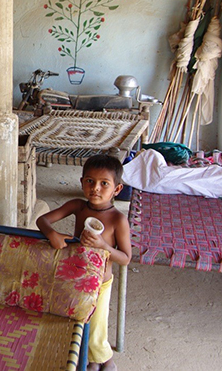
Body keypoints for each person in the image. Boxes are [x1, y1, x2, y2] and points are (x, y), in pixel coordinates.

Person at [36, 154, 131, 371]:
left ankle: (106, 361)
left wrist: (103, 247)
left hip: (100, 283)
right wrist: (52, 233)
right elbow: (43, 220)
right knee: (78, 321)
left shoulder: (118, 219)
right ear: (81, 182)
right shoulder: (78, 206)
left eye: (104, 183)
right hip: (75, 274)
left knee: (96, 327)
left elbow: (125, 258)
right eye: (90, 181)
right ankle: (92, 361)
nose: (95, 188)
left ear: (117, 189)